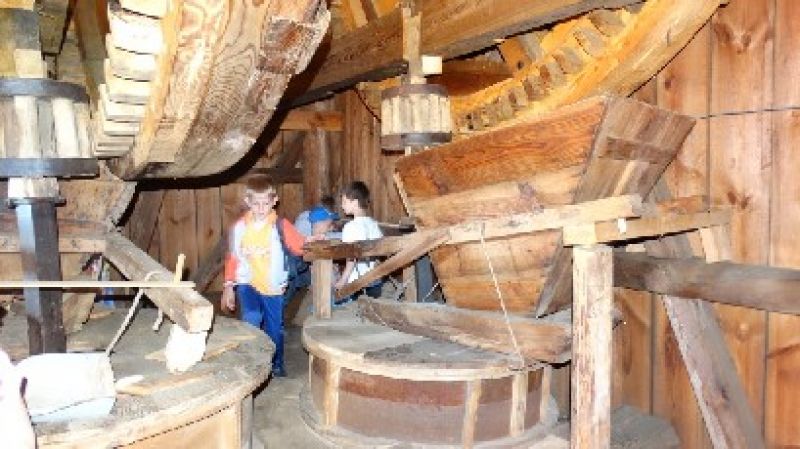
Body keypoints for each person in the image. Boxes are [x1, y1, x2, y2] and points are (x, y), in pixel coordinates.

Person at [221, 174, 306, 378]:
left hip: (272, 287)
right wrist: (228, 286)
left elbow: (300, 247)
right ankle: (252, 361)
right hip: (247, 283)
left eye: (265, 203)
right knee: (251, 317)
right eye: (256, 203)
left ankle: (276, 364)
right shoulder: (240, 228)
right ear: (247, 201)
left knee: (274, 328)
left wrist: (311, 240)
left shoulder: (280, 226)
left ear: (274, 201)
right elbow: (233, 257)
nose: (260, 208)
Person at [334, 181, 383, 301]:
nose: (342, 206)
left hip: (359, 286)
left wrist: (342, 281)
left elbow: (351, 259)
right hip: (376, 284)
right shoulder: (374, 224)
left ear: (355, 203)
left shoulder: (350, 227)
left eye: (344, 202)